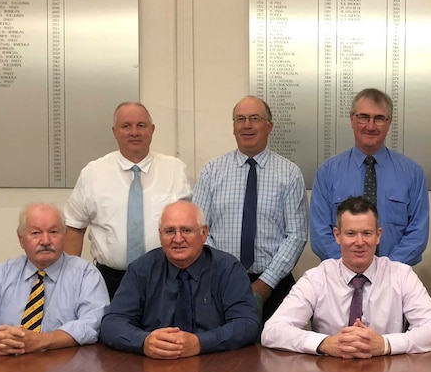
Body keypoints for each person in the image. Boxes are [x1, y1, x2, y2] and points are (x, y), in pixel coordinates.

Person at [262, 196, 431, 357]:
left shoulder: (401, 275)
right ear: (337, 235)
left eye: (367, 233)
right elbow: (272, 331)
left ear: (378, 235)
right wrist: (325, 343)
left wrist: (385, 344)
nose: (359, 242)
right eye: (351, 234)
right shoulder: (317, 277)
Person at [193, 96, 307, 321]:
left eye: (255, 118)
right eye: (240, 119)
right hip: (219, 283)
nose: (247, 125)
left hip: (275, 286)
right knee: (222, 352)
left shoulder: (290, 173)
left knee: (275, 352)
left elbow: (297, 235)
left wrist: (266, 283)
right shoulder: (211, 171)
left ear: (269, 126)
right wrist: (222, 275)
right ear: (233, 127)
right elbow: (198, 229)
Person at [64, 102, 192, 299]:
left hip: (167, 277)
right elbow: (75, 227)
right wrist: (70, 280)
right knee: (109, 329)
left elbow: (192, 228)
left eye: (141, 125)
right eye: (126, 126)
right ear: (115, 132)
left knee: (164, 330)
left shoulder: (175, 170)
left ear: (152, 130)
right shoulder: (93, 173)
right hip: (109, 280)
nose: (134, 132)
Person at [100, 201, 260, 358]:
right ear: (160, 235)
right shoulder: (141, 270)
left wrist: (200, 343)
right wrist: (143, 341)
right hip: (154, 367)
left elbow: (247, 324)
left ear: (204, 233)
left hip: (214, 363)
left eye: (186, 230)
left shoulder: (228, 269)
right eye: (169, 231)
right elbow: (112, 323)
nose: (177, 239)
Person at [0, 203, 109, 355]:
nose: (45, 241)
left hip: (65, 371)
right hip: (7, 368)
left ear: (64, 235)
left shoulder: (86, 274)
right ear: (21, 239)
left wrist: (40, 341)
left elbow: (93, 324)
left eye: (53, 232)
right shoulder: (3, 274)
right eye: (36, 233)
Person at [310, 88, 429, 265]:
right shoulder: (328, 172)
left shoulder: (412, 173)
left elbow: (417, 233)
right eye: (363, 117)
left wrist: (385, 272)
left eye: (379, 118)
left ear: (389, 123)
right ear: (352, 119)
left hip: (394, 281)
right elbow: (320, 233)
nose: (371, 126)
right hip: (340, 280)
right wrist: (350, 267)